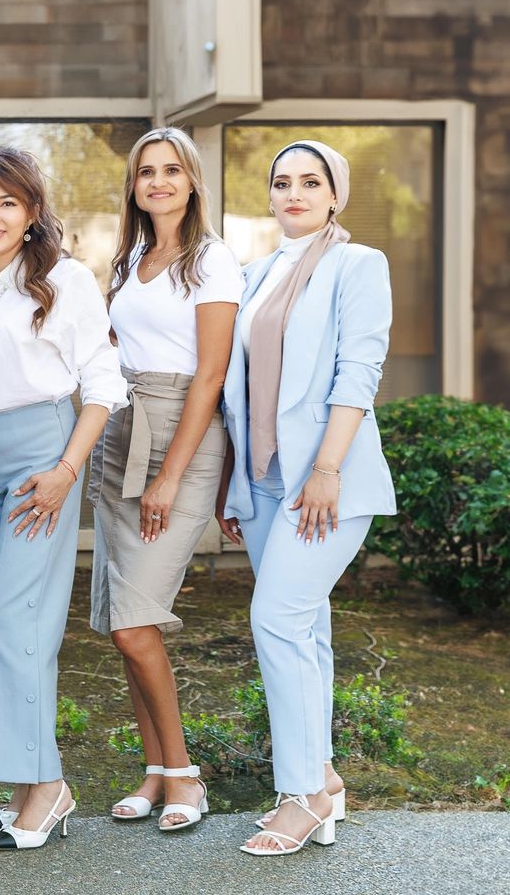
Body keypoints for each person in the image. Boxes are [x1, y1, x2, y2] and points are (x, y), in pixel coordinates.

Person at [0, 146, 127, 852]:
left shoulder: (64, 279)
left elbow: (105, 385)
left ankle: (46, 787)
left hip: (44, 453)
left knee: (12, 622)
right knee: (16, 624)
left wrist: (63, 471)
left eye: (7, 203)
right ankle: (28, 786)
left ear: (31, 212)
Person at [218, 140, 395, 857]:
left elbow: (360, 369)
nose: (295, 192)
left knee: (277, 620)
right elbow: (242, 392)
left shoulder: (360, 264)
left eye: (311, 181)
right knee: (307, 630)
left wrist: (327, 467)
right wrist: (237, 484)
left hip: (325, 481)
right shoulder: (258, 272)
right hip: (263, 481)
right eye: (282, 181)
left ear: (335, 194)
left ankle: (301, 794)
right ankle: (322, 775)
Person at [90, 128, 242, 831]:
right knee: (127, 620)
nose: (157, 181)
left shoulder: (211, 261)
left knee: (136, 622)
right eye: (146, 171)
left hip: (182, 430)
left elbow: (210, 374)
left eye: (171, 170)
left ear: (192, 180)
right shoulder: (130, 260)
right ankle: (154, 773)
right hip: (124, 427)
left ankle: (185, 776)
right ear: (134, 184)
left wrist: (170, 477)